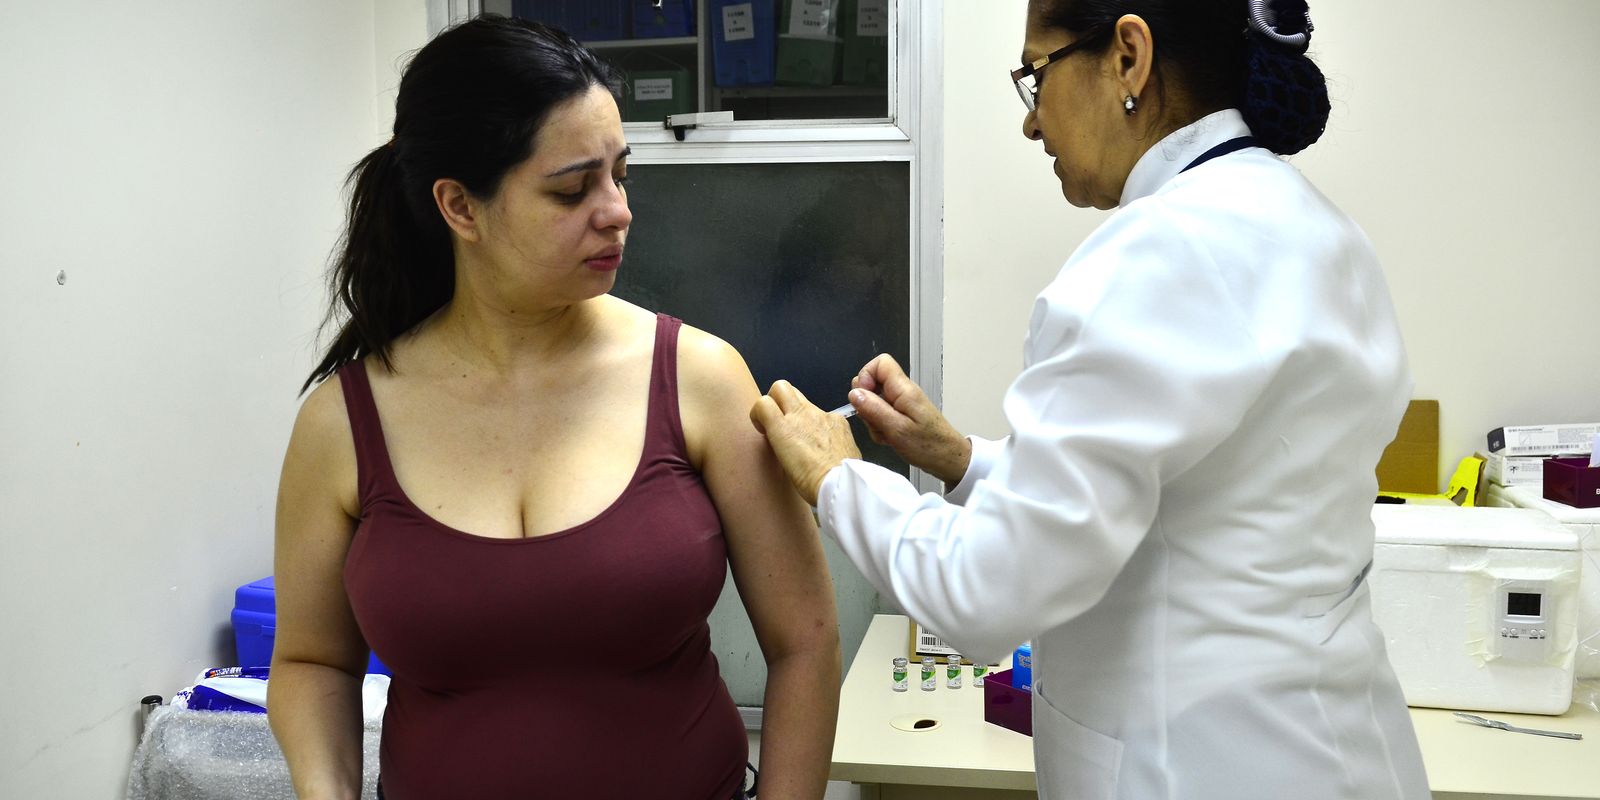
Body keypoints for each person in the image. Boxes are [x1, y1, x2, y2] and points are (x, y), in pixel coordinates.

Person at [750, 1, 1430, 798]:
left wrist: (838, 479)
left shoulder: (1151, 257)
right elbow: (1183, 502)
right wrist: (959, 459)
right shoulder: (1321, 229)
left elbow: (983, 594)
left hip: (1195, 766)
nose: (1031, 122)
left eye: (1036, 76)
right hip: (1342, 749)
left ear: (1128, 57)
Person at [267, 15, 839, 800]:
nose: (617, 210)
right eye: (573, 188)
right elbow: (311, 662)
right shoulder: (343, 422)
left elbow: (805, 641)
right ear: (460, 208)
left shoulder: (699, 380)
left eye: (621, 175)